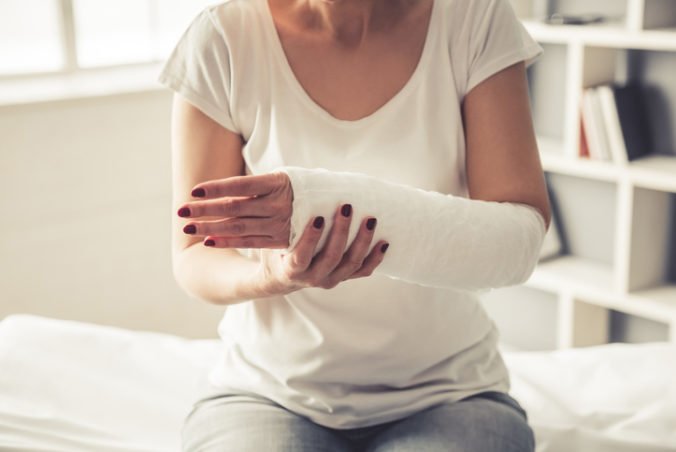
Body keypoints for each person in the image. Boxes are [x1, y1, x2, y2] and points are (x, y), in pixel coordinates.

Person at [158, 0, 551, 449]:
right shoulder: (222, 39)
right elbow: (195, 255)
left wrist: (329, 202)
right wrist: (269, 277)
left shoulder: (475, 18)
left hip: (450, 394)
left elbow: (517, 239)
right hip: (268, 392)